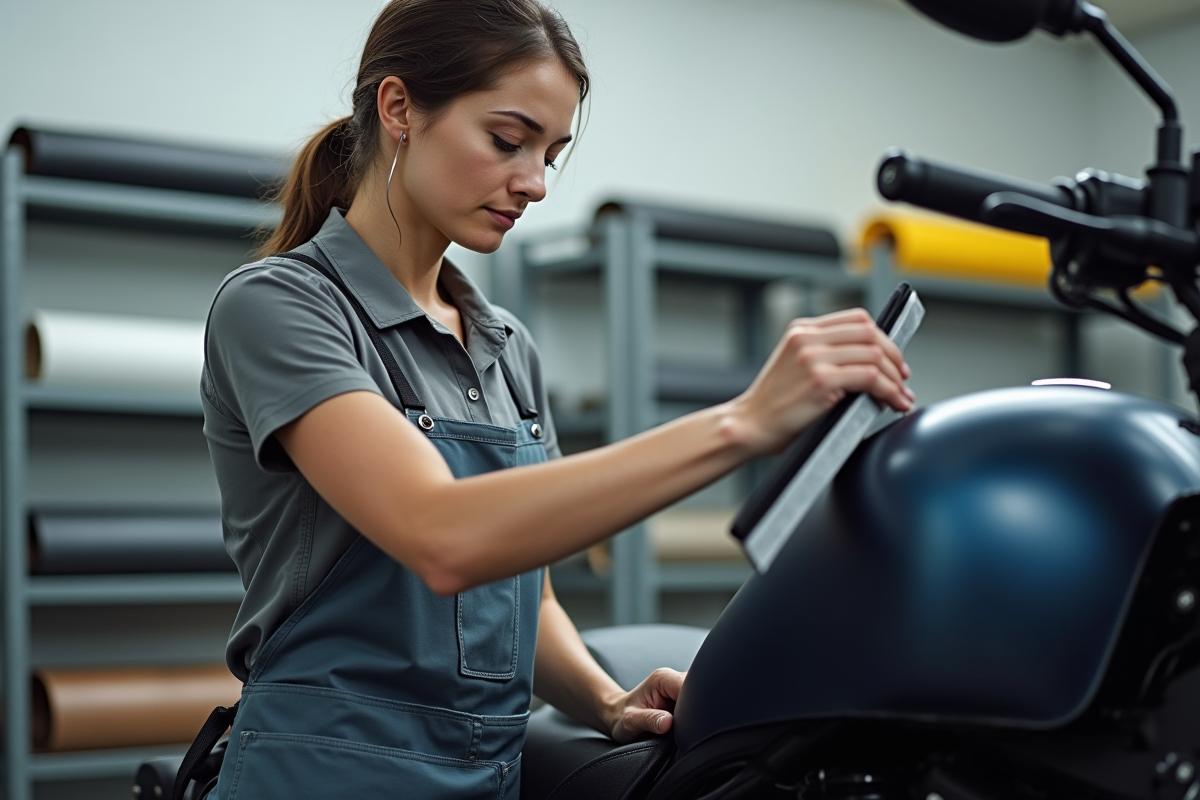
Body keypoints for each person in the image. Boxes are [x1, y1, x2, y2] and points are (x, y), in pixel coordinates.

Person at [199, 0, 913, 796]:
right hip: (325, 771)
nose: (535, 183)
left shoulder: (504, 344)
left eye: (551, 152)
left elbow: (518, 597)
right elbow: (443, 536)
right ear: (398, 107)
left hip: (490, 778)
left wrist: (605, 701)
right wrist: (742, 423)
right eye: (507, 141)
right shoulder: (282, 306)